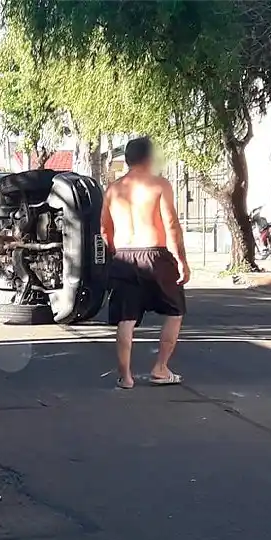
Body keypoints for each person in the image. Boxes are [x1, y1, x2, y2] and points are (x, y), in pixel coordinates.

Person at [101, 137, 189, 390]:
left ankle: (126, 377)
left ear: (127, 159)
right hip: (156, 254)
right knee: (175, 311)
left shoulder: (113, 189)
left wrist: (115, 255)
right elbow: (171, 224)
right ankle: (161, 368)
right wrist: (181, 261)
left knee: (126, 318)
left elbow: (105, 229)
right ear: (150, 158)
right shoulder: (159, 184)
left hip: (124, 255)